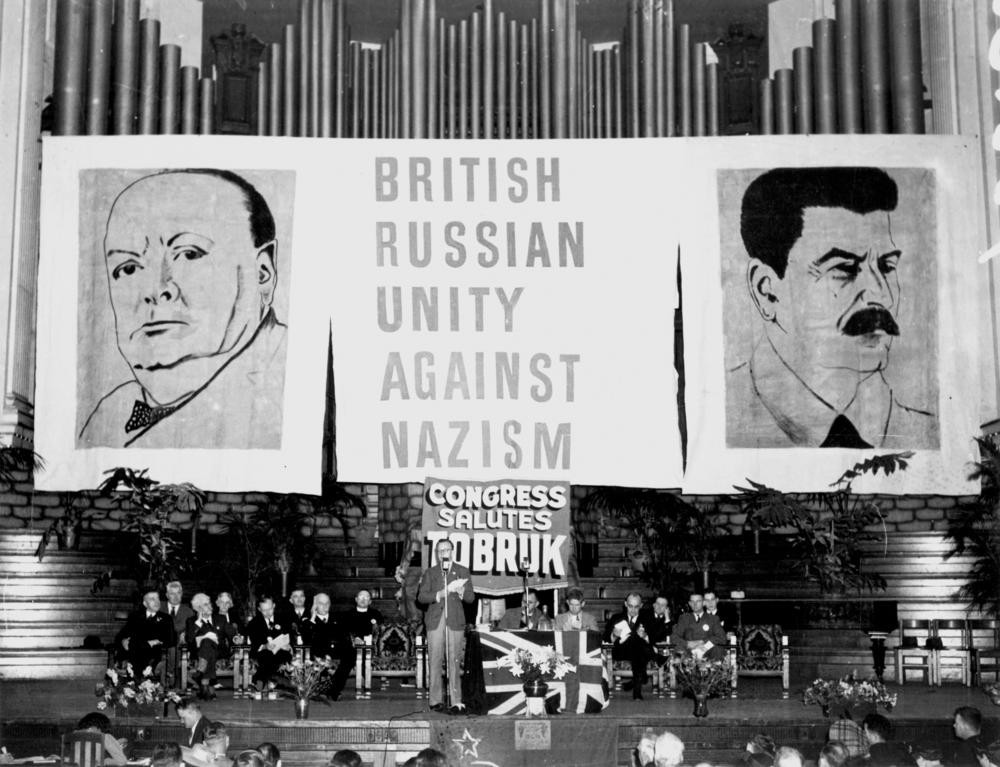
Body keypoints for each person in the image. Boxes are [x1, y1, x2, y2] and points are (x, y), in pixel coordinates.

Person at [78, 168, 287, 450]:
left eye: (189, 254)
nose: (155, 290)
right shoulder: (109, 414)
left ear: (262, 272)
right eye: (128, 268)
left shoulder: (287, 383)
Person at [727, 167, 935, 449]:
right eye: (845, 268)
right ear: (766, 290)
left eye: (886, 267)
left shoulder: (926, 434)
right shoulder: (723, 416)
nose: (882, 295)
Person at [416, 538, 475, 714]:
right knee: (434, 660)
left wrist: (462, 591)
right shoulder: (431, 573)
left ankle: (456, 699)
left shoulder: (462, 571)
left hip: (455, 620)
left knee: (454, 661)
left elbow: (471, 598)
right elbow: (421, 597)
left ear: (452, 551)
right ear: (436, 554)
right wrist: (439, 594)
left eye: (446, 550)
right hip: (435, 620)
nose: (443, 554)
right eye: (440, 551)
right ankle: (435, 700)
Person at [603, 592, 668, 700]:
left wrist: (645, 636)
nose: (633, 610)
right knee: (637, 642)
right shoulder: (616, 618)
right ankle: (655, 663)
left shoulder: (647, 619)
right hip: (621, 652)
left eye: (636, 607)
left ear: (641, 606)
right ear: (625, 604)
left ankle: (637, 690)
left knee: (638, 645)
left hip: (640, 653)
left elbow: (657, 638)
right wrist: (614, 635)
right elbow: (605, 638)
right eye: (630, 606)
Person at [328, 589, 384, 701]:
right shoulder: (347, 615)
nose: (363, 599)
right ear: (356, 599)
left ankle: (331, 687)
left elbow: (379, 632)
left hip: (370, 648)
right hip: (351, 647)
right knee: (348, 658)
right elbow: (342, 632)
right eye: (361, 597)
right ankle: (334, 690)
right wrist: (354, 639)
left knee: (355, 657)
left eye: (366, 597)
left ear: (370, 601)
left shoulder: (376, 614)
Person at [114, 590, 174, 677]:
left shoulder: (166, 619)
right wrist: (123, 640)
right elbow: (122, 635)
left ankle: (136, 674)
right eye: (152, 599)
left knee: (135, 646)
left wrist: (154, 642)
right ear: (145, 603)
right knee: (132, 646)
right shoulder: (135, 616)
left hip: (154, 653)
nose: (157, 602)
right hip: (135, 652)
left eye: (158, 599)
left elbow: (170, 640)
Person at [245, 596, 293, 694]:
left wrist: (288, 645)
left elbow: (290, 636)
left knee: (283, 655)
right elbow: (254, 643)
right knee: (268, 655)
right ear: (259, 609)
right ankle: (264, 681)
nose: (268, 613)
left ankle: (258, 680)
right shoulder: (254, 623)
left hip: (281, 651)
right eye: (264, 610)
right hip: (263, 652)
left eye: (270, 609)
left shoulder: (283, 620)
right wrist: (265, 646)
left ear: (274, 606)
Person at [185, 593, 226, 699]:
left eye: (209, 604)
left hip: (219, 652)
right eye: (206, 604)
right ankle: (207, 684)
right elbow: (189, 639)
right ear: (199, 608)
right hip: (199, 653)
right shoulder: (191, 621)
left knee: (208, 642)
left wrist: (237, 638)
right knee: (206, 642)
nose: (210, 606)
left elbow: (232, 633)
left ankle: (202, 674)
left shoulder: (220, 618)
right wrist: (198, 622)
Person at [671, 592, 727, 661]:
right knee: (679, 650)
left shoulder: (713, 619)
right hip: (689, 651)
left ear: (703, 603)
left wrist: (703, 642)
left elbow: (722, 638)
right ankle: (682, 670)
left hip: (706, 650)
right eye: (692, 601)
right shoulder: (684, 618)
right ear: (689, 603)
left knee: (718, 650)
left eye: (698, 601)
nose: (695, 604)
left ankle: (714, 670)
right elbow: (674, 637)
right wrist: (687, 644)